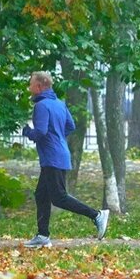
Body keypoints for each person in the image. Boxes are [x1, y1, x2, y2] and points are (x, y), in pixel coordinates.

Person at [21, 71, 109, 247]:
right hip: (59, 153)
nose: (29, 87)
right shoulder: (59, 104)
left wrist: (27, 132)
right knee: (41, 194)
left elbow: (40, 132)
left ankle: (97, 215)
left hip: (52, 157)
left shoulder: (41, 106)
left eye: (31, 84)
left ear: (39, 86)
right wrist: (57, 137)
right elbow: (70, 125)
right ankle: (42, 236)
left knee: (59, 197)